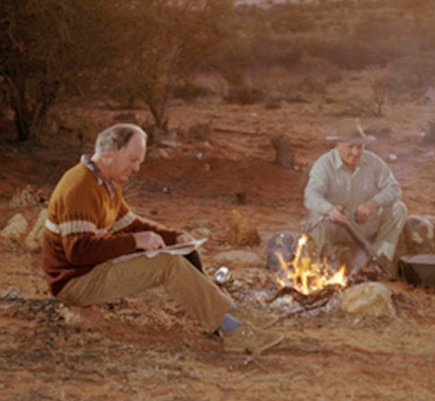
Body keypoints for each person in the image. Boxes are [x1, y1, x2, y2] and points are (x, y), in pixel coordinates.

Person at [42, 123, 283, 355]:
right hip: (74, 282)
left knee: (178, 253)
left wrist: (172, 236)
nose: (137, 168)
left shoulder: (106, 184)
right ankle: (234, 332)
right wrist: (135, 241)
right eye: (133, 159)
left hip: (91, 270)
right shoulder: (80, 186)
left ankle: (233, 314)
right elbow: (79, 251)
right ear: (111, 153)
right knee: (165, 264)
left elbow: (131, 224)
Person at [303, 118, 407, 277]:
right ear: (337, 144)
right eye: (350, 147)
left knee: (398, 208)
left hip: (364, 226)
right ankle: (326, 271)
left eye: (360, 147)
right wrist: (329, 210)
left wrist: (372, 204)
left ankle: (379, 261)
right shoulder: (324, 164)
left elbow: (394, 188)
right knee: (319, 222)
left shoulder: (372, 161)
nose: (356, 152)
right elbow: (310, 195)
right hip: (336, 228)